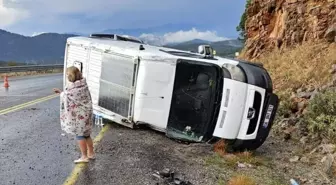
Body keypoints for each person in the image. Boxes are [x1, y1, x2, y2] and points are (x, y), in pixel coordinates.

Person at [53, 66, 95, 163]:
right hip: (87, 113)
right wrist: (63, 93)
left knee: (80, 135)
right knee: (87, 134)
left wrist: (61, 93)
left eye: (68, 74)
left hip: (79, 116)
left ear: (71, 76)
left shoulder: (72, 88)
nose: (67, 76)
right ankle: (91, 153)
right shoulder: (84, 85)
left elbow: (67, 96)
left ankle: (84, 156)